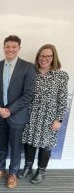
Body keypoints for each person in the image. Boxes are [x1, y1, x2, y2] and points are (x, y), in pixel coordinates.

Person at [0, 35, 35, 188]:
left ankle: (13, 173)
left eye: (14, 47)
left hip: (17, 115)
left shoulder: (27, 67)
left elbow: (29, 94)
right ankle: (0, 170)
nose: (10, 49)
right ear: (3, 47)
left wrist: (10, 110)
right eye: (8, 46)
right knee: (0, 144)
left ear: (19, 48)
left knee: (15, 146)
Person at [20, 44, 69, 184]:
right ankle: (28, 167)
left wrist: (58, 119)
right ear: (38, 57)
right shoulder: (31, 73)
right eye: (42, 55)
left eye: (48, 56)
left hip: (50, 117)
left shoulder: (61, 76)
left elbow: (62, 99)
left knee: (46, 145)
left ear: (54, 57)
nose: (45, 58)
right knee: (29, 142)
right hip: (31, 114)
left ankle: (41, 171)